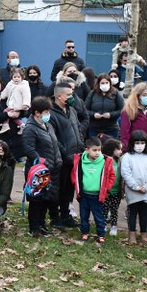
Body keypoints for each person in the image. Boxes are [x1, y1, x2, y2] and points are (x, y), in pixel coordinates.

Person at [23, 96, 63, 236]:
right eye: (45, 112)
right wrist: (42, 161)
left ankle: (42, 224)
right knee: (36, 200)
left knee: (47, 198)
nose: (48, 114)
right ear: (37, 113)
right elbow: (29, 149)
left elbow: (54, 143)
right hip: (39, 170)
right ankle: (34, 227)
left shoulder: (48, 125)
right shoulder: (30, 128)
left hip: (53, 168)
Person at [49, 82, 83, 229]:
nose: (72, 97)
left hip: (74, 158)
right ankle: (55, 218)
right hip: (61, 159)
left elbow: (79, 130)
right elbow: (54, 138)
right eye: (69, 95)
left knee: (69, 190)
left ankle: (65, 215)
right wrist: (65, 154)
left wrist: (81, 145)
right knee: (58, 189)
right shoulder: (51, 114)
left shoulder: (72, 111)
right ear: (59, 96)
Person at [71, 136, 115, 243]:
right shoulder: (80, 160)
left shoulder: (105, 161)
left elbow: (111, 176)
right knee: (84, 216)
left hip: (97, 195)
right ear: (87, 150)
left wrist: (106, 188)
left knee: (98, 216)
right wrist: (76, 186)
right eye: (94, 150)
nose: (97, 153)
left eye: (99, 150)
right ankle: (84, 233)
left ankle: (101, 235)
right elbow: (74, 174)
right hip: (84, 195)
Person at [120, 130, 147, 245]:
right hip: (133, 191)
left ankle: (144, 234)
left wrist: (146, 186)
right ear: (132, 143)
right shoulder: (127, 157)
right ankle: (132, 235)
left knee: (144, 213)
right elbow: (126, 174)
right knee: (132, 213)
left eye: (142, 142)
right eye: (137, 142)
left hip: (146, 191)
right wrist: (136, 187)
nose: (140, 145)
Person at [120, 82, 147, 148]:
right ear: (137, 96)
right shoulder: (128, 111)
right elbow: (124, 134)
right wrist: (128, 149)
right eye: (144, 95)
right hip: (134, 147)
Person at [85, 72, 124, 138]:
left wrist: (111, 115)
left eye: (106, 83)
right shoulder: (92, 93)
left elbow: (122, 109)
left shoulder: (115, 93)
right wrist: (93, 115)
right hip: (94, 128)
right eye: (102, 83)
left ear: (110, 83)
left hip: (111, 128)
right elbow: (85, 109)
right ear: (98, 84)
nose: (105, 85)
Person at [100, 138, 123, 237]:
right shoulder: (104, 160)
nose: (121, 151)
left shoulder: (120, 161)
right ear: (112, 149)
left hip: (116, 191)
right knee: (104, 209)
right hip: (106, 191)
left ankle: (114, 226)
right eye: (119, 149)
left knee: (114, 209)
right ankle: (103, 224)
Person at [0, 67, 31, 134]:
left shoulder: (24, 85)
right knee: (13, 116)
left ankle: (5, 125)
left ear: (22, 77)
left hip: (18, 105)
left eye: (18, 77)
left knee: (6, 112)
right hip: (11, 103)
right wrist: (1, 97)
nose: (16, 79)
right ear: (12, 77)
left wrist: (26, 104)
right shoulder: (10, 84)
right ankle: (21, 125)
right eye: (14, 77)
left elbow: (27, 95)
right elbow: (5, 91)